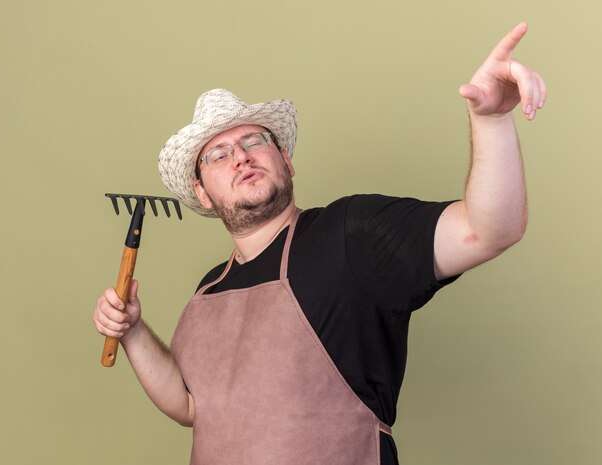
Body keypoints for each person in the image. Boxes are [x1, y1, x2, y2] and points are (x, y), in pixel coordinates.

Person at [93, 23, 546, 465]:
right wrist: (133, 332)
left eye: (254, 140)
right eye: (218, 153)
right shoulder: (208, 291)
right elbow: (192, 407)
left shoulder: (350, 235)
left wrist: (491, 120)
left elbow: (490, 229)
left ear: (286, 160)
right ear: (203, 194)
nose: (241, 156)